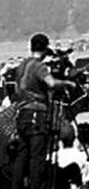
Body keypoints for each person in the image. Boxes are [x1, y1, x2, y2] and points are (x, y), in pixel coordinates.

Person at [12, 33, 76, 189]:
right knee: (37, 157)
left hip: (22, 113)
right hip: (36, 113)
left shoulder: (22, 65)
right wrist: (67, 83)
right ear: (45, 49)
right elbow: (51, 83)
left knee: (22, 155)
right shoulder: (38, 66)